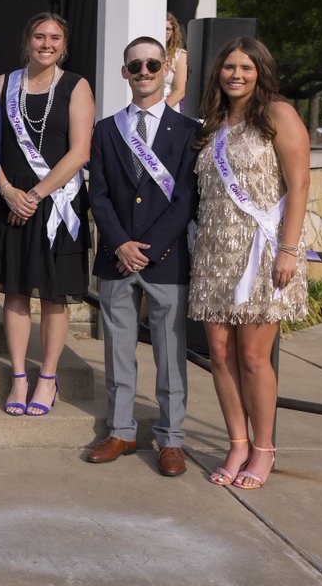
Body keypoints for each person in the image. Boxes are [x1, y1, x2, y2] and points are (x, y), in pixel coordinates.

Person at [188, 36, 309, 489]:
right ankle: (237, 443)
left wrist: (289, 250)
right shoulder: (214, 122)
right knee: (218, 354)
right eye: (229, 67)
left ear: (261, 71)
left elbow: (299, 186)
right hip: (215, 253)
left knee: (254, 357)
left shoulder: (279, 114)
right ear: (217, 72)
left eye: (246, 67)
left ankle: (264, 449)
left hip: (264, 251)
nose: (236, 75)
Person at [85, 36, 200, 476]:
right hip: (118, 257)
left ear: (166, 68)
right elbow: (100, 195)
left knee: (171, 354)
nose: (146, 72)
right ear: (125, 72)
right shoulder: (106, 130)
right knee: (118, 352)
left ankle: (171, 440)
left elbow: (186, 199)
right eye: (137, 66)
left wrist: (148, 249)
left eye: (153, 64)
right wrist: (121, 244)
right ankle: (121, 431)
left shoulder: (189, 131)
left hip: (166, 260)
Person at [0, 13, 94, 417]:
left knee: (52, 296)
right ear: (27, 41)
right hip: (10, 203)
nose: (47, 43)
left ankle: (47, 376)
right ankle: (18, 376)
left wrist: (36, 194)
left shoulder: (76, 86)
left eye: (55, 38)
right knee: (14, 291)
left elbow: (80, 152)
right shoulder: (2, 84)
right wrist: (9, 191)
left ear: (65, 45)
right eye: (39, 36)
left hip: (57, 205)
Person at [163, 13, 189, 112]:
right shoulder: (147, 51)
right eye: (162, 27)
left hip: (169, 108)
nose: (165, 31)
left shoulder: (180, 55)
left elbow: (180, 91)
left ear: (173, 31)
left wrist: (160, 112)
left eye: (168, 28)